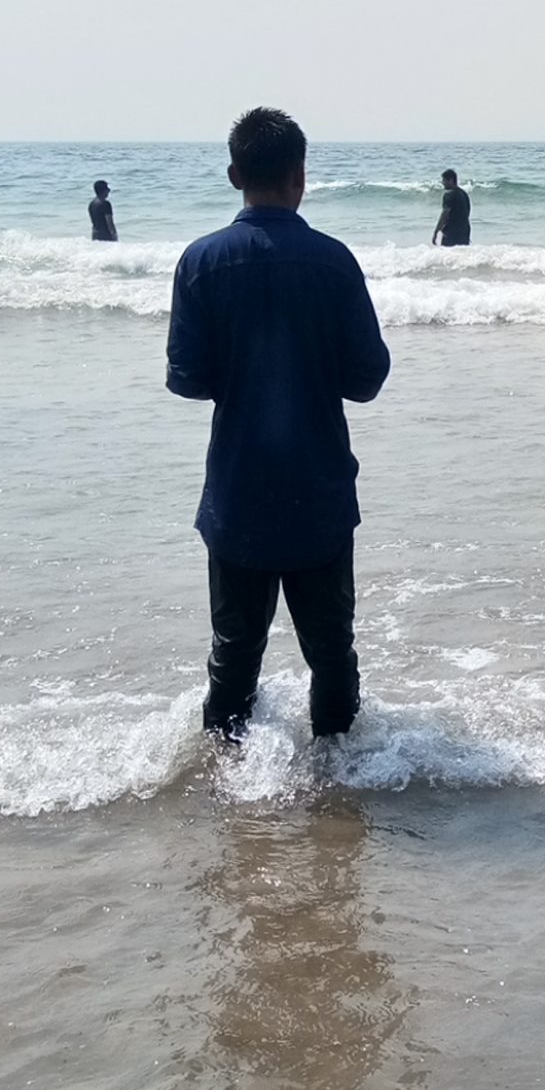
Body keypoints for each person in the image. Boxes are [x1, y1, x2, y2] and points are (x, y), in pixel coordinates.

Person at [166, 107, 390, 741]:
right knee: (331, 654)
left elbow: (186, 377)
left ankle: (228, 789)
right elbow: (368, 379)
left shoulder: (201, 262)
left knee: (233, 655)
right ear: (301, 176)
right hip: (318, 491)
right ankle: (342, 781)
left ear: (235, 173)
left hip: (238, 494)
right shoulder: (334, 262)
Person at [432, 168, 471, 246]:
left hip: (452, 231)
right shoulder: (464, 194)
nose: (443, 183)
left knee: (447, 254)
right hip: (465, 230)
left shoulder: (449, 194)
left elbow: (444, 214)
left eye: (444, 180)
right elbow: (468, 211)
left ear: (451, 180)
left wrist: (436, 231)